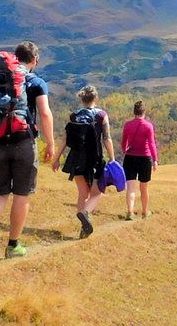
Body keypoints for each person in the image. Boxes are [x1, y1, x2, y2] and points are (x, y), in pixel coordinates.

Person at [0, 41, 54, 260]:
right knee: (22, 195)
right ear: (35, 60)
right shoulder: (36, 81)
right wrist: (50, 144)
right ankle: (13, 245)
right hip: (23, 142)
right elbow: (45, 113)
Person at [52, 85, 115, 238]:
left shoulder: (74, 116)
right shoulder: (101, 115)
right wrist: (112, 159)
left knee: (82, 194)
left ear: (82, 99)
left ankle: (83, 226)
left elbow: (66, 139)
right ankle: (85, 214)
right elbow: (106, 138)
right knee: (97, 192)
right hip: (95, 158)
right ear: (96, 98)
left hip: (76, 158)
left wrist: (57, 158)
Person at [121, 100, 159, 220]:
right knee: (144, 187)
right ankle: (144, 212)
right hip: (145, 158)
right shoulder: (148, 126)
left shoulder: (128, 125)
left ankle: (130, 212)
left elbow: (123, 142)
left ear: (134, 112)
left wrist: (124, 151)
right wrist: (155, 160)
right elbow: (152, 144)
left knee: (130, 187)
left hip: (130, 157)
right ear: (144, 112)